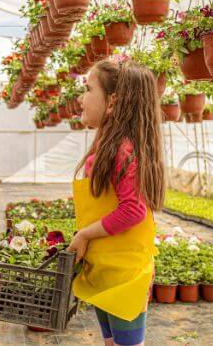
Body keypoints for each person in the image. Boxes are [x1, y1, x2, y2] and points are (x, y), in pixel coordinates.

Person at [67, 59, 164, 346]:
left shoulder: (123, 150)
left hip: (124, 275)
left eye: (88, 90)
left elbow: (133, 210)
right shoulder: (108, 148)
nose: (81, 98)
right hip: (106, 269)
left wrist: (85, 233)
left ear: (112, 102)